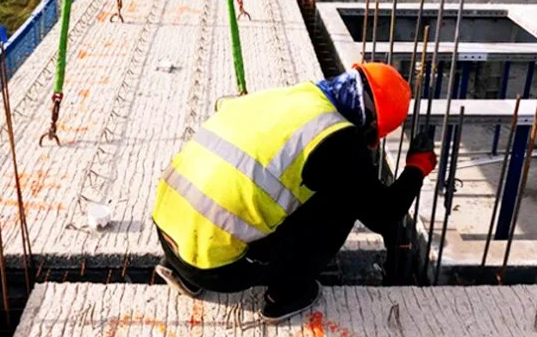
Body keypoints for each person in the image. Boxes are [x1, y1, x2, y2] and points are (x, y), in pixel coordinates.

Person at [152, 62, 437, 323]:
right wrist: (416, 168)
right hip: (219, 270)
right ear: (372, 123)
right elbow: (384, 213)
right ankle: (286, 294)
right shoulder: (338, 139)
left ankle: (183, 270)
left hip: (166, 234)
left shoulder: (286, 97)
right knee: (343, 202)